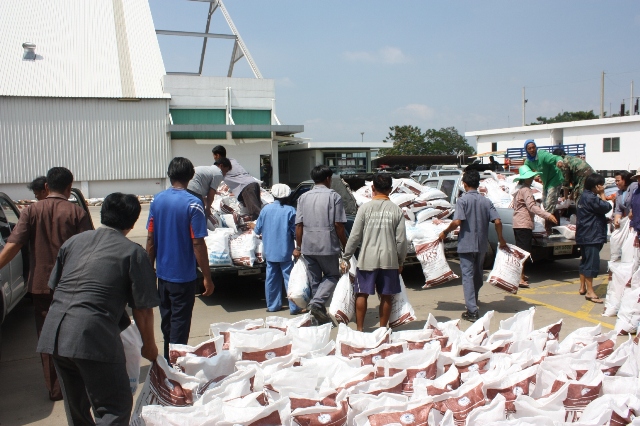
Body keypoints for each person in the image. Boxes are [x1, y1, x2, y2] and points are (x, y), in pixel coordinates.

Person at [37, 193, 159, 425]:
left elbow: (56, 287)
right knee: (114, 407)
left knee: (77, 408)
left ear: (102, 214)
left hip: (54, 334)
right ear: (133, 222)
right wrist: (149, 347)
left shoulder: (73, 242)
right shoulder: (133, 252)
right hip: (91, 336)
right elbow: (143, 309)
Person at [0, 167, 92, 401]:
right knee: (75, 334)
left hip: (41, 286)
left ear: (47, 186)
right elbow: (89, 251)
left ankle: (55, 389)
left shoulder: (30, 211)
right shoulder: (77, 213)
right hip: (72, 286)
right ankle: (77, 384)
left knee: (47, 337)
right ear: (69, 188)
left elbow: (13, 246)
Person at [146, 157, 214, 363]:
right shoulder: (193, 204)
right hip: (183, 278)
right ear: (190, 176)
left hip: (163, 275)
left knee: (167, 323)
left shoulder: (157, 201)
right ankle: (176, 367)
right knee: (180, 326)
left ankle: (169, 362)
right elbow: (198, 243)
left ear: (170, 175)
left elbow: (150, 239)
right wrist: (207, 277)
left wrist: (149, 271)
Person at [438, 169, 507, 322]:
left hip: (466, 244)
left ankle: (472, 311)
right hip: (481, 245)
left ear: (465, 184)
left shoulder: (462, 201)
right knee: (477, 274)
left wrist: (445, 232)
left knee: (468, 277)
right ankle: (473, 300)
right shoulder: (486, 201)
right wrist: (501, 239)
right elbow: (497, 221)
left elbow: (457, 221)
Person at [340, 174, 407, 331]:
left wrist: (346, 257)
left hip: (367, 259)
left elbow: (355, 236)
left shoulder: (364, 209)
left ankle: (360, 329)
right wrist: (400, 261)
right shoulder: (396, 210)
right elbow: (401, 240)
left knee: (361, 294)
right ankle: (383, 329)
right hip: (389, 260)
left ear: (372, 188)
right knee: (386, 295)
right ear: (390, 189)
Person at [294, 165, 347, 325]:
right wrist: (345, 244)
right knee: (332, 275)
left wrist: (298, 247)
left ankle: (319, 318)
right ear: (328, 179)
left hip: (308, 245)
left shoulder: (303, 197)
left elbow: (299, 225)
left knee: (315, 281)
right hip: (327, 244)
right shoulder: (334, 196)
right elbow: (338, 225)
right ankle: (316, 304)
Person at [250, 184, 301, 314]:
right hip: (286, 252)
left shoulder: (265, 210)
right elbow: (296, 232)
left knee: (271, 279)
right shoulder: (291, 211)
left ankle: (272, 306)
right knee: (289, 279)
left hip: (270, 251)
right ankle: (294, 307)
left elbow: (257, 230)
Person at [511, 165, 558, 288]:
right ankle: (520, 277)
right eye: (530, 177)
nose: (532, 179)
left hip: (518, 223)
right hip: (523, 224)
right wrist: (547, 215)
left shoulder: (518, 189)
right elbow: (532, 207)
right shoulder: (526, 190)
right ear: (525, 178)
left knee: (521, 250)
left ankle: (521, 274)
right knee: (523, 252)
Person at [576, 173, 611, 303]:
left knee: (585, 260)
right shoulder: (592, 198)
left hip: (584, 234)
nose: (602, 187)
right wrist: (602, 194)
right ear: (596, 186)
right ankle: (590, 292)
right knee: (591, 263)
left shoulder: (583, 196)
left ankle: (582, 287)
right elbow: (606, 207)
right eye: (601, 185)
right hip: (592, 235)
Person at [212, 145, 262, 220]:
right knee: (257, 210)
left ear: (217, 155)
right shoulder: (233, 160)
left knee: (255, 214)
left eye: (214, 156)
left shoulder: (220, 166)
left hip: (246, 188)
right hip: (253, 184)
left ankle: (261, 225)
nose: (214, 158)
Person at [524, 140, 564, 214]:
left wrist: (559, 161)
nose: (532, 150)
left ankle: (548, 221)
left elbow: (556, 157)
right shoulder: (528, 161)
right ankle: (554, 218)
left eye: (533, 147)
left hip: (555, 179)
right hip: (546, 182)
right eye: (529, 148)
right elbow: (525, 171)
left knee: (549, 204)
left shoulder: (542, 155)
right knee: (545, 204)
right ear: (526, 150)